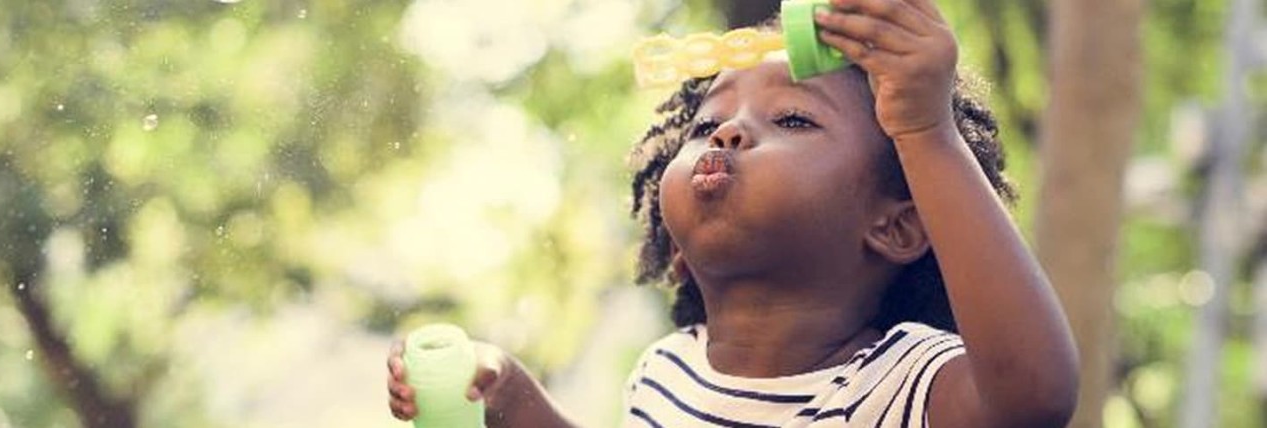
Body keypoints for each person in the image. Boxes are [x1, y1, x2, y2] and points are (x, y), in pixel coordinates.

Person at [387, 0, 1078, 426]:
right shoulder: (668, 370)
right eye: (704, 125)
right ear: (679, 251)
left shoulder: (902, 385)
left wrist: (926, 132)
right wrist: (507, 395)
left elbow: (1033, 395)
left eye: (792, 119)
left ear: (895, 224)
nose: (726, 133)